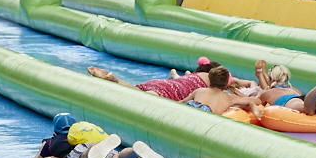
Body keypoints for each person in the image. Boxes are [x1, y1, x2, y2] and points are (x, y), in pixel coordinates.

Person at [30, 113, 169, 158]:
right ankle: (134, 152)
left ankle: (91, 154)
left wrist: (44, 148)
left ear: (55, 131)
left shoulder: (52, 142)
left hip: (82, 151)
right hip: (98, 144)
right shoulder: (83, 133)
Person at [87, 65, 254, 100]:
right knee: (148, 96)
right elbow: (249, 85)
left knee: (139, 89)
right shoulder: (213, 92)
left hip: (161, 82)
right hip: (171, 92)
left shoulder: (200, 75)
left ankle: (117, 80)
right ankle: (115, 81)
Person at [252, 61, 316, 115]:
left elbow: (258, 103)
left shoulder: (268, 93)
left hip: (291, 102)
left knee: (308, 110)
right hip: (303, 99)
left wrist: (258, 95)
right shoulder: (294, 89)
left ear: (271, 79)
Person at [183, 66, 264, 116]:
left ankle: (248, 106)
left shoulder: (200, 90)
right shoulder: (229, 97)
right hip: (208, 113)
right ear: (226, 85)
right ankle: (249, 107)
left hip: (192, 107)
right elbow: (258, 100)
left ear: (210, 81)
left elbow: (182, 102)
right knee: (235, 106)